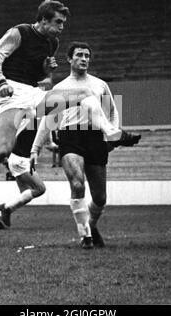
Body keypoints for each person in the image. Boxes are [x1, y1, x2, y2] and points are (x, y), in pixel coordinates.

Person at [0, 0, 129, 195]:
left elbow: (37, 74)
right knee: (1, 152)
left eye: (63, 23)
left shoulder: (53, 42)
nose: (62, 27)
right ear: (44, 20)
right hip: (12, 91)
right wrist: (0, 82)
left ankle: (110, 132)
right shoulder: (20, 32)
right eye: (58, 22)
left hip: (33, 93)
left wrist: (45, 70)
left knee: (86, 93)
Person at [30, 42, 141, 249]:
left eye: (87, 56)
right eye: (79, 55)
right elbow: (48, 121)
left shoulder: (99, 84)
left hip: (96, 137)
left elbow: (113, 112)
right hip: (70, 136)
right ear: (69, 59)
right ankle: (85, 236)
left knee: (100, 197)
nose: (84, 59)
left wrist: (112, 137)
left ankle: (91, 224)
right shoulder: (60, 88)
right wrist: (35, 149)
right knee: (78, 184)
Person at [0, 119, 47, 229]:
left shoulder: (35, 120)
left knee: (25, 195)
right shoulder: (34, 121)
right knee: (40, 189)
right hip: (21, 160)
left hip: (16, 159)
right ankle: (6, 208)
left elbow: (48, 141)